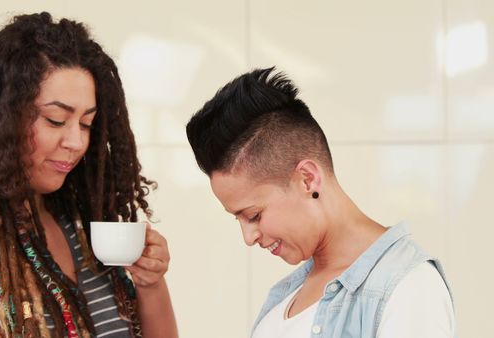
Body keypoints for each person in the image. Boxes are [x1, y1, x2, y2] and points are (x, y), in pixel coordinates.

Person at [0, 12, 177, 338]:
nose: (76, 142)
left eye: (86, 124)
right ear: (1, 120)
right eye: (56, 120)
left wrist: (150, 282)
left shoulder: (80, 228)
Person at [185, 67, 455, 337]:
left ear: (307, 179)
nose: (248, 237)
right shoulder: (283, 297)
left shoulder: (408, 285)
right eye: (238, 219)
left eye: (253, 215)